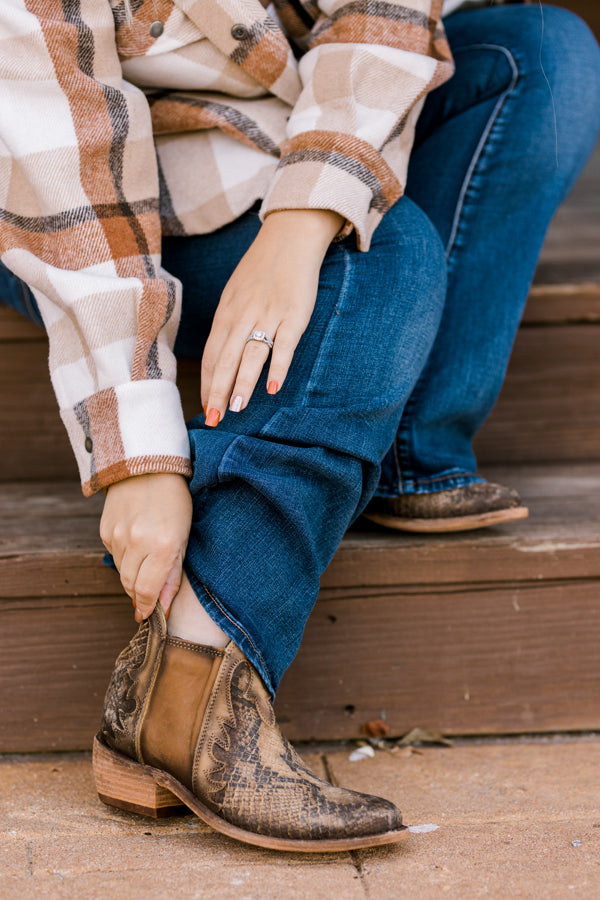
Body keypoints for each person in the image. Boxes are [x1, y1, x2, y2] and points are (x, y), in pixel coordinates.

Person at [1, 0, 599, 852]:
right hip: (90, 189)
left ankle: (401, 444)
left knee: (543, 52)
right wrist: (138, 457)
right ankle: (189, 689)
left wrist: (298, 224)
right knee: (386, 264)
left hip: (295, 120)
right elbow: (58, 164)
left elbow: (380, 17)